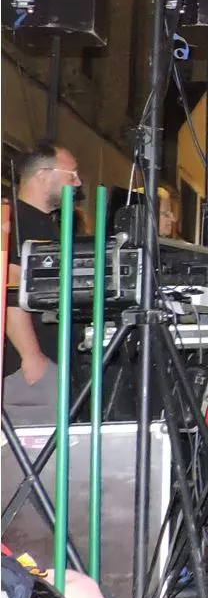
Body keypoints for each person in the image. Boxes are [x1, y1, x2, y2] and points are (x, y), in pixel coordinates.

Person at [4, 142, 82, 427]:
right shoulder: (19, 222)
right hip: (28, 370)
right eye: (71, 175)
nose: (78, 183)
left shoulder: (44, 226)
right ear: (42, 175)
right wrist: (31, 356)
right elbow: (10, 288)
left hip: (48, 364)